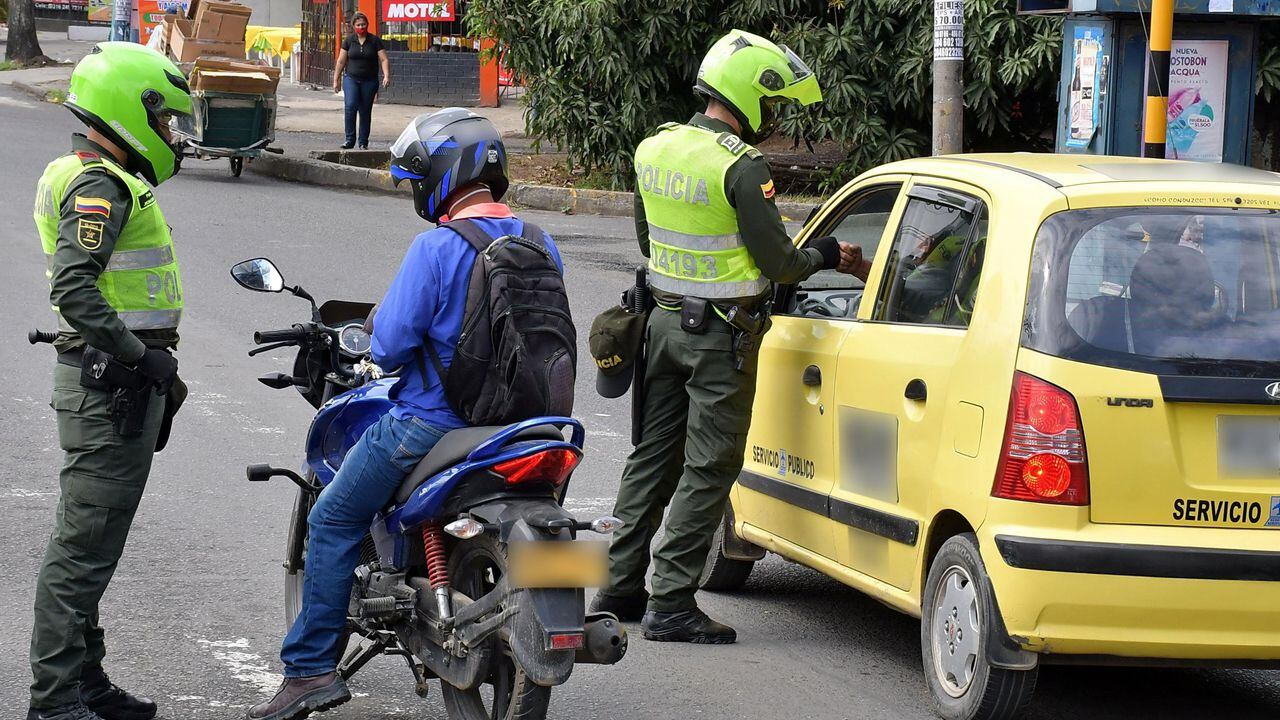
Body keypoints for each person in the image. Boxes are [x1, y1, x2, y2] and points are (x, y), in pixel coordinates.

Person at [247, 108, 565, 720]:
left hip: (433, 423)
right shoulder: (539, 240)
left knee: (335, 515)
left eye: (419, 179)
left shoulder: (437, 247)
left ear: (443, 177)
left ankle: (311, 671)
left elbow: (388, 346)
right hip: (525, 428)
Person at [589, 29, 860, 644]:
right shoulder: (742, 167)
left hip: (659, 327)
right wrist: (827, 252)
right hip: (721, 341)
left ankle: (620, 588)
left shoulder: (654, 148)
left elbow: (648, 242)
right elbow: (781, 265)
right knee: (709, 467)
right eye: (774, 105)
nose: (776, 119)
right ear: (748, 97)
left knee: (652, 459)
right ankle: (672, 601)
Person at [29, 42, 192, 720]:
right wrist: (139, 354)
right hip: (109, 390)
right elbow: (75, 287)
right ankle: (57, 698)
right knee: (81, 552)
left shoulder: (94, 172)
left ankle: (86, 683)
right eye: (166, 119)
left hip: (116, 386)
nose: (173, 135)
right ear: (129, 106)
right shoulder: (100, 184)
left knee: (94, 548)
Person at [333, 12, 389, 150]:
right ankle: (349, 140)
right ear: (353, 26)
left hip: (369, 81)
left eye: (363, 24)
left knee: (365, 110)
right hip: (351, 78)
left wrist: (386, 75)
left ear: (367, 25)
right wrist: (336, 79)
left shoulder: (375, 41)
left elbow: (384, 59)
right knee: (350, 106)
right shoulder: (349, 41)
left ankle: (363, 142)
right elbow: (341, 61)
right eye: (358, 25)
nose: (361, 27)